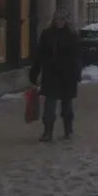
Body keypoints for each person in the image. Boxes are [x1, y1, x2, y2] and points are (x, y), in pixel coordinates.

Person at [29, 8, 82, 142]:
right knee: (49, 106)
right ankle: (48, 131)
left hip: (67, 75)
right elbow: (39, 55)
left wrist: (77, 73)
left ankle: (68, 129)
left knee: (67, 106)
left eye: (61, 19)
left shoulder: (72, 35)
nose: (58, 22)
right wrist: (35, 73)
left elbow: (77, 57)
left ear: (66, 21)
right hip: (51, 74)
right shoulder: (47, 34)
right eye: (56, 19)